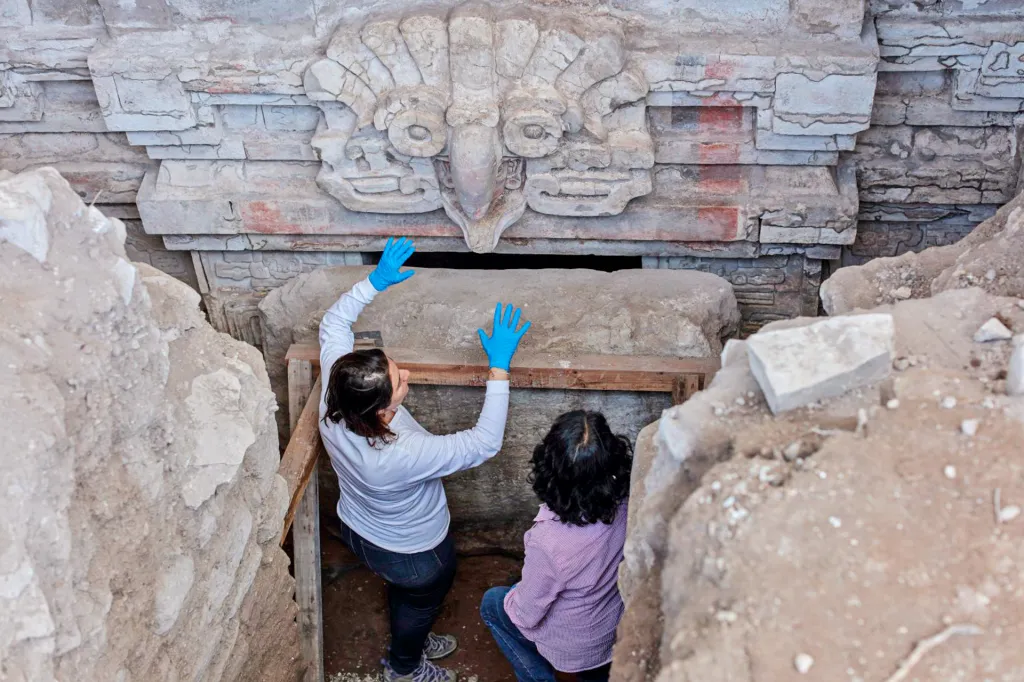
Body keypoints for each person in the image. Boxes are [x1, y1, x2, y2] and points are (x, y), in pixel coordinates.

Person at [319, 237, 531, 682]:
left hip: (358, 527)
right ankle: (405, 665)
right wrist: (499, 370)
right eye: (399, 381)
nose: (407, 375)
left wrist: (374, 282)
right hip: (412, 550)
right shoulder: (400, 454)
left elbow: (334, 322)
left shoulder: (334, 395)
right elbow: (483, 443)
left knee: (409, 596)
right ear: (383, 410)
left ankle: (411, 633)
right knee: (423, 595)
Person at [480, 410, 633, 682]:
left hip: (576, 649)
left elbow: (525, 615)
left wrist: (518, 592)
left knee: (492, 603)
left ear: (550, 467)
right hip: (615, 626)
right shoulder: (628, 498)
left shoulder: (548, 541)